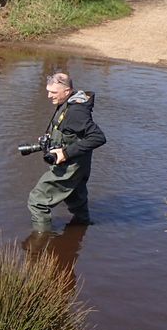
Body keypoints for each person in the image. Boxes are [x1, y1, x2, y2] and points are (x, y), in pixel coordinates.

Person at [27, 72, 107, 231]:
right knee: (76, 199)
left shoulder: (76, 111)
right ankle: (81, 230)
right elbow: (71, 131)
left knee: (37, 201)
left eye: (54, 92)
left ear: (67, 90)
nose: (49, 96)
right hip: (78, 165)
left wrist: (65, 153)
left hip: (71, 166)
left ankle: (42, 241)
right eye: (48, 91)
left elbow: (98, 137)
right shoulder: (68, 103)